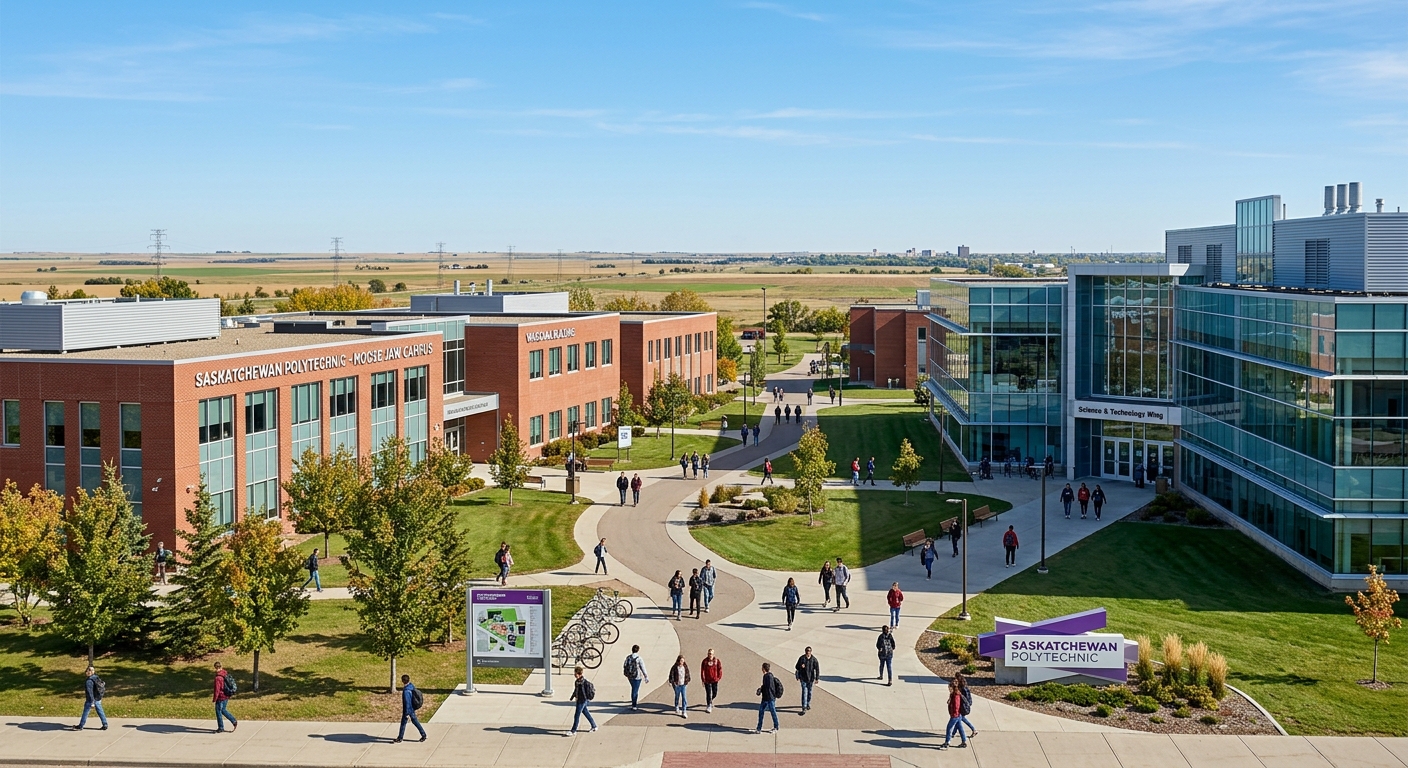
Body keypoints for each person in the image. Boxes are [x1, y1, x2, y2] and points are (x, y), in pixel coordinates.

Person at [395, 673, 427, 742]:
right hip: (412, 708)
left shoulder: (406, 691)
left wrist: (406, 713)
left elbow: (407, 702)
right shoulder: (411, 686)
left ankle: (400, 738)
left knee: (403, 723)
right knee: (415, 722)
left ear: (403, 681)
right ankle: (423, 735)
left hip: (408, 710)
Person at [74, 665, 107, 731]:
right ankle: (105, 724)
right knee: (100, 711)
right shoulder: (96, 677)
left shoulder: (89, 681)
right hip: (98, 698)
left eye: (87, 671)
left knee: (85, 712)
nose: (86, 672)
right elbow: (102, 684)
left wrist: (92, 702)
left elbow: (90, 693)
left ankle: (81, 726)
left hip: (91, 700)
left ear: (88, 672)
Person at [940, 680, 968, 749]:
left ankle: (947, 742)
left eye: (950, 687)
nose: (949, 689)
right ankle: (964, 741)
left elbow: (956, 706)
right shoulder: (954, 694)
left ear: (953, 688)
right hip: (957, 715)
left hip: (955, 715)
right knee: (960, 727)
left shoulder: (956, 696)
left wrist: (954, 715)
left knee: (949, 728)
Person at [569, 666, 598, 733]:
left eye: (576, 674)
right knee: (586, 713)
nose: (574, 675)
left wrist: (584, 699)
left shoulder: (584, 683)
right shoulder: (577, 682)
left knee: (577, 715)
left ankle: (573, 730)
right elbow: (576, 690)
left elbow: (583, 692)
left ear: (579, 674)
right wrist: (573, 696)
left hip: (582, 700)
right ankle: (594, 726)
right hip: (580, 700)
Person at [755, 663, 781, 733]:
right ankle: (759, 728)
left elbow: (769, 688)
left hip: (769, 698)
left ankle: (776, 726)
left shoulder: (768, 676)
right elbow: (765, 686)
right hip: (767, 698)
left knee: (772, 712)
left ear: (763, 668)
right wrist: (761, 689)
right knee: (762, 712)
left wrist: (762, 690)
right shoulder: (767, 676)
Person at [213, 661, 237, 733]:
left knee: (218, 711)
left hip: (220, 697)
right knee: (223, 710)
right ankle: (233, 721)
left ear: (215, 668)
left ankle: (221, 727)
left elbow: (217, 690)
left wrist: (215, 698)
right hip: (226, 695)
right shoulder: (225, 673)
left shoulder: (218, 678)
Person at [623, 644, 649, 710]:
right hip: (637, 677)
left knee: (633, 688)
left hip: (629, 676)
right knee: (635, 691)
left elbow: (625, 665)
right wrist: (646, 676)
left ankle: (633, 700)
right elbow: (643, 668)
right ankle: (634, 705)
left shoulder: (628, 657)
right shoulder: (639, 658)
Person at [794, 647, 819, 713]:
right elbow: (796, 667)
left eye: (809, 651)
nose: (808, 652)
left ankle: (808, 703)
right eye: (807, 651)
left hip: (810, 679)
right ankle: (804, 707)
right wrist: (800, 666)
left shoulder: (814, 660)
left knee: (809, 692)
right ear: (805, 652)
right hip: (803, 679)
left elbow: (817, 669)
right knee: (804, 693)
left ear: (811, 652)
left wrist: (817, 678)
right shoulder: (802, 658)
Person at [954, 672, 978, 739]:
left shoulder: (963, 688)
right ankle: (953, 732)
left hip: (963, 706)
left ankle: (973, 729)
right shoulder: (965, 685)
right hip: (965, 705)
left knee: (960, 718)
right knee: (958, 718)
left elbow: (964, 698)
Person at [700, 649, 723, 713]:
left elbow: (720, 669)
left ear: (713, 654)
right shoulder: (704, 661)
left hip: (714, 680)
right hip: (707, 680)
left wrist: (718, 677)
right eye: (709, 653)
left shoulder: (716, 661)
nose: (710, 655)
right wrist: (703, 679)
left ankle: (710, 700)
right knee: (708, 693)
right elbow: (702, 671)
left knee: (714, 693)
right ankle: (709, 705)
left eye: (711, 654)